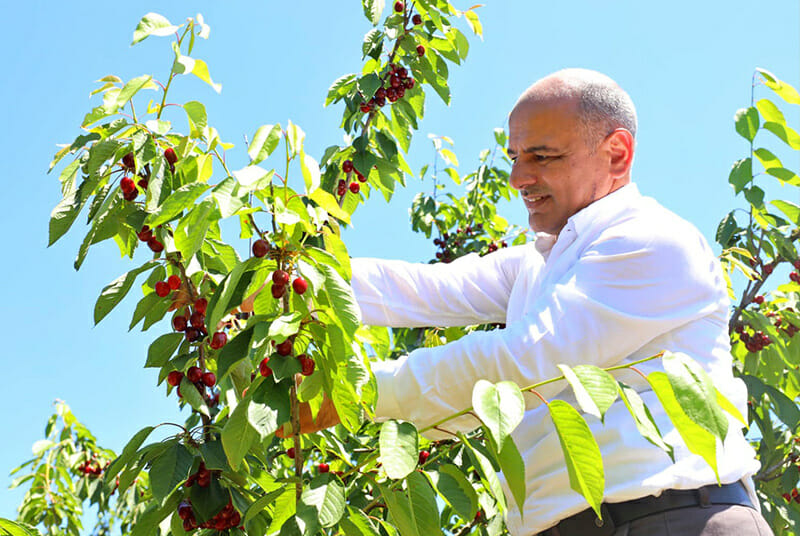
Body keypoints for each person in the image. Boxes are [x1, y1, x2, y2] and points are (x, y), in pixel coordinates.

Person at [300, 68, 772, 536]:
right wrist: (292, 275)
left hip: (676, 519)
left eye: (542, 156)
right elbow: (425, 288)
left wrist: (359, 395)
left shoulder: (651, 240)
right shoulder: (543, 261)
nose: (517, 177)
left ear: (616, 153)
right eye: (514, 157)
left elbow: (525, 360)